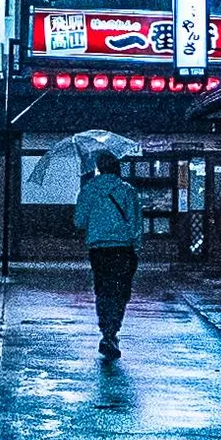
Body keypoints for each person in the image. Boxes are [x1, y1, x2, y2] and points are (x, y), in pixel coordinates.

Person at [73, 150, 141, 359]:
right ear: (117, 166)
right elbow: (136, 224)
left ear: (99, 168)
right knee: (120, 291)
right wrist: (135, 245)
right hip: (123, 248)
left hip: (99, 249)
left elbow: (79, 221)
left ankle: (106, 332)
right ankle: (113, 331)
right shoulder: (127, 191)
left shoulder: (89, 190)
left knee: (103, 289)